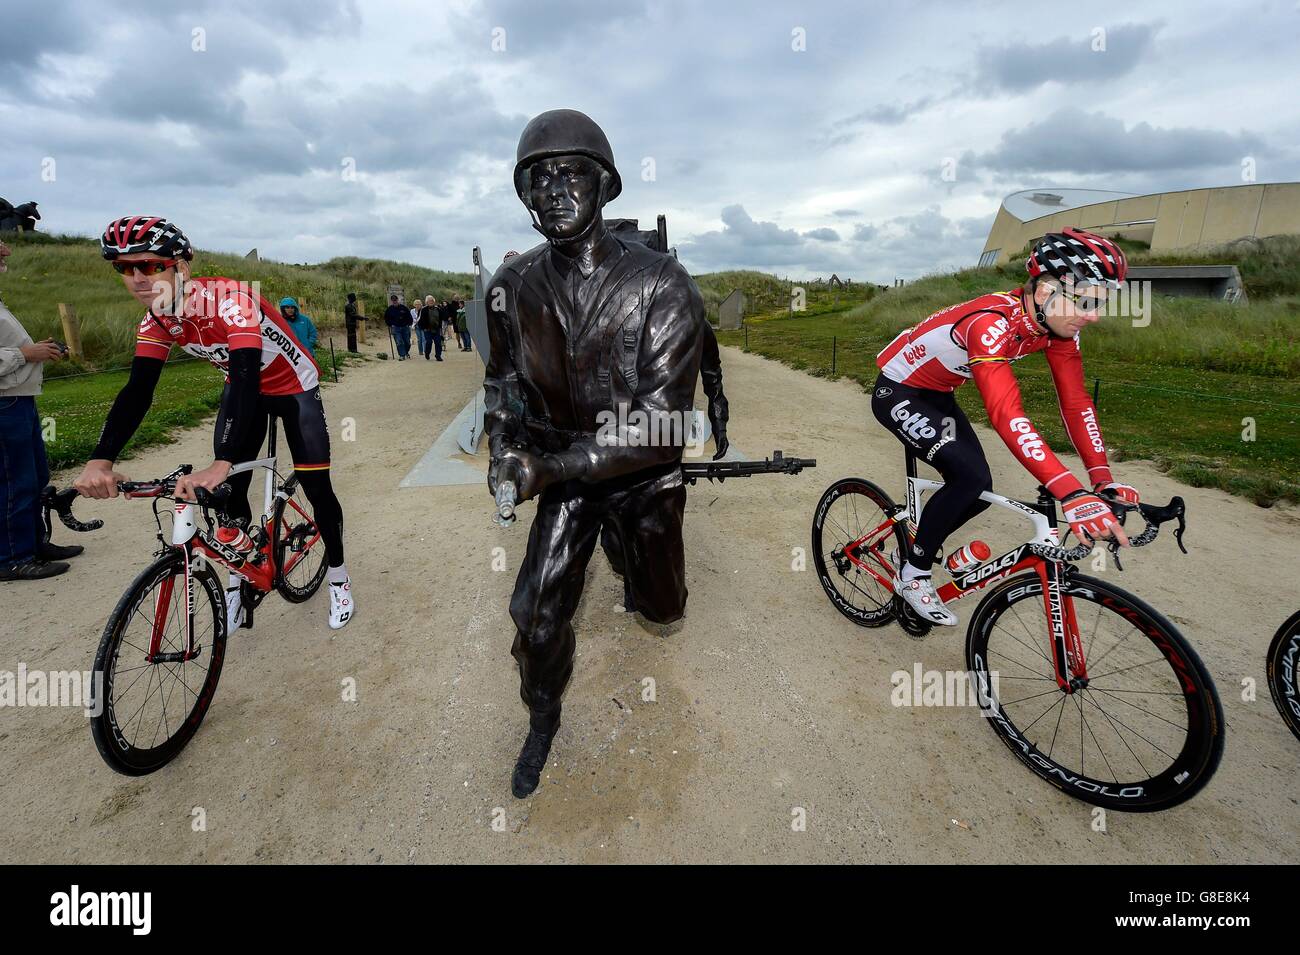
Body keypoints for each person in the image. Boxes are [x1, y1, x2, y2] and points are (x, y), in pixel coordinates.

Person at [485, 109, 705, 798]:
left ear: (605, 184)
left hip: (645, 480)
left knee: (662, 608)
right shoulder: (513, 289)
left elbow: (664, 425)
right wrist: (504, 446)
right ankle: (542, 716)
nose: (553, 188)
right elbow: (502, 385)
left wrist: (549, 467)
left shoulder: (663, 284)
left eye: (569, 172)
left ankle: (630, 556)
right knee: (535, 613)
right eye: (537, 178)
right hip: (568, 482)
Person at [73, 216, 354, 630]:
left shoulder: (229, 299)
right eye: (123, 268)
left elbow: (245, 374)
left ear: (180, 267)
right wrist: (101, 459)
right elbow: (138, 391)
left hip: (293, 387)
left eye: (150, 266)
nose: (136, 278)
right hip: (245, 391)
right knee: (229, 493)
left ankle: (338, 576)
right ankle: (240, 579)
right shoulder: (157, 320)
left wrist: (223, 459)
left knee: (316, 486)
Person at [872, 227, 1137, 626]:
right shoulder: (990, 323)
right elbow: (1006, 414)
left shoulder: (1055, 329)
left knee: (978, 490)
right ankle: (913, 574)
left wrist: (1101, 479)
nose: (1094, 315)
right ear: (1046, 293)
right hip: (899, 392)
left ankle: (914, 548)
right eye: (1085, 301)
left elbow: (1076, 403)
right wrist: (1067, 490)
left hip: (938, 393)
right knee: (969, 477)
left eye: (1101, 303)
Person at [0, 238, 81, 581]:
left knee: (34, 478)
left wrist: (38, 350)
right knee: (13, 481)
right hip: (5, 404)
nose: (6, 250)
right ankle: (11, 559)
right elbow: (15, 353)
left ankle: (33, 544)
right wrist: (25, 355)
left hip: (19, 399)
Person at [384, 294, 411, 360]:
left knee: (407, 342)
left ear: (397, 300)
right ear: (391, 301)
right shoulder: (389, 309)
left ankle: (406, 352)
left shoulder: (404, 308)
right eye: (393, 300)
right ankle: (402, 355)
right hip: (395, 328)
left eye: (395, 300)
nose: (394, 302)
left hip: (405, 327)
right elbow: (386, 318)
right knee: (399, 342)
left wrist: (409, 323)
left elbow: (409, 316)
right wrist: (390, 324)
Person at [418, 295, 442, 360]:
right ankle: (427, 353)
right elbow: (421, 320)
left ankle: (438, 356)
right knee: (429, 342)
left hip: (436, 329)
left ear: (434, 301)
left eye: (432, 300)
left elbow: (441, 317)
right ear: (427, 302)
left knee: (438, 343)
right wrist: (424, 328)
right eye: (429, 301)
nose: (431, 302)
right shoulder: (423, 310)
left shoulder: (438, 309)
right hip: (427, 329)